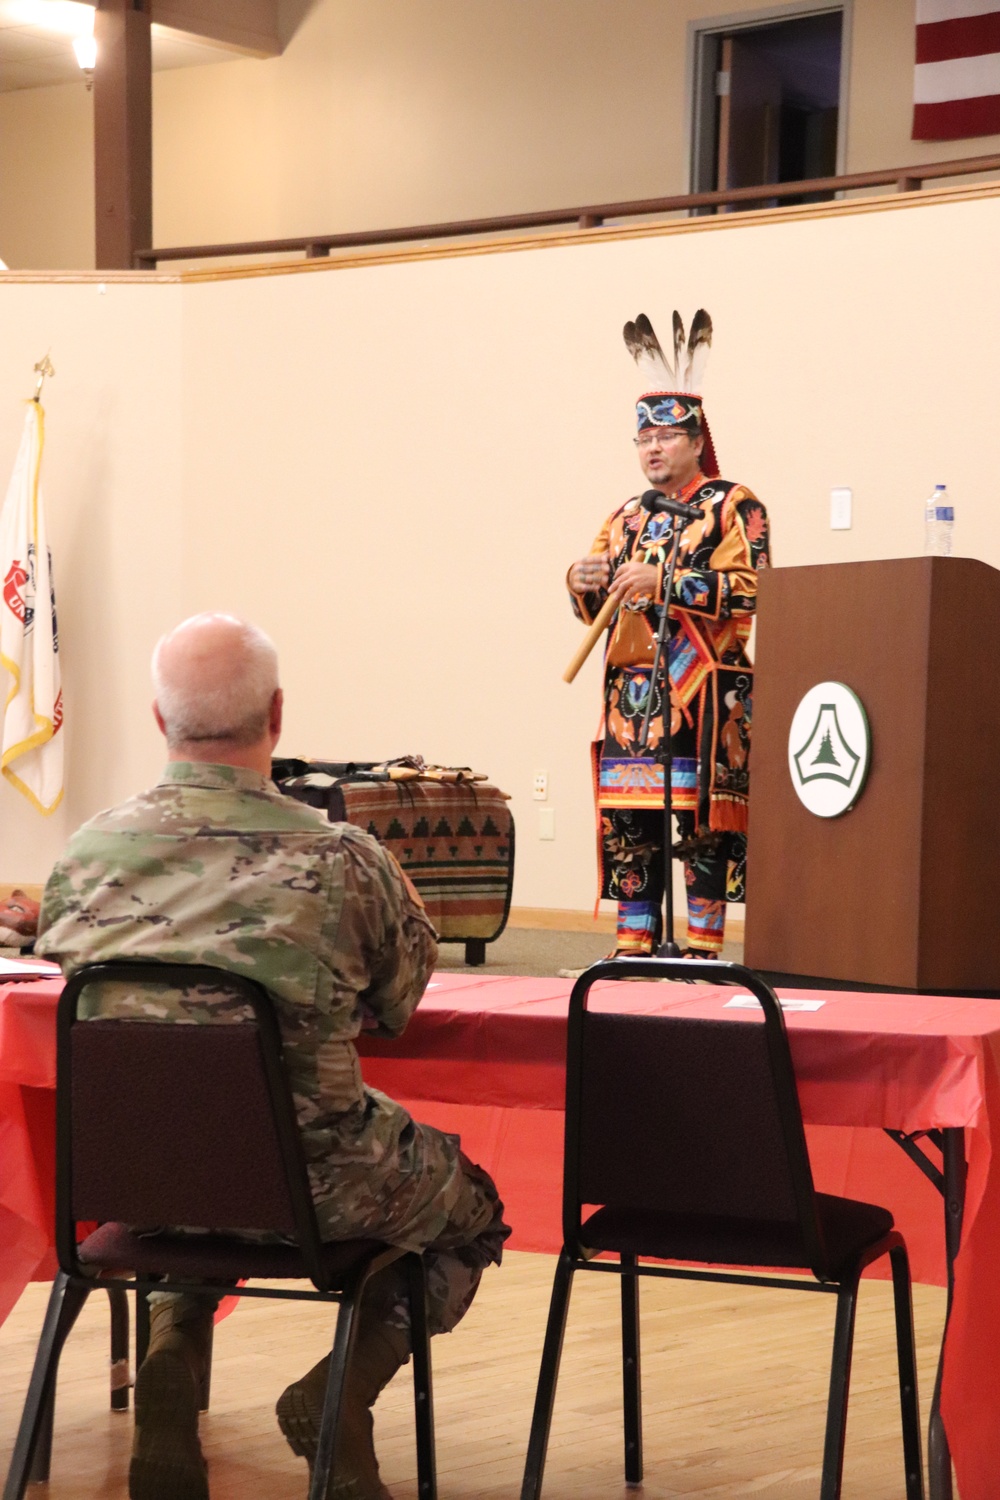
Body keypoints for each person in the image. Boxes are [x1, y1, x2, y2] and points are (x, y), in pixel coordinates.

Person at [36, 613, 509, 1500]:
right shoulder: (344, 860)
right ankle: (339, 1388)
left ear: (157, 719)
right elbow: (400, 1008)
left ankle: (172, 1351)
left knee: (193, 1165)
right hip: (316, 1187)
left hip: (137, 1178)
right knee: (474, 1214)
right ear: (278, 716)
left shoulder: (87, 855)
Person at [567, 311, 770, 958]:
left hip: (701, 693)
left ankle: (705, 950)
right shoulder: (625, 516)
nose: (653, 448)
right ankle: (632, 947)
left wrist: (670, 584)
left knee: (698, 824)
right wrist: (581, 576)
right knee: (632, 822)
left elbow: (759, 589)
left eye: (667, 436)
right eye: (643, 439)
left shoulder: (734, 505)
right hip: (631, 697)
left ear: (694, 438)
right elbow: (593, 604)